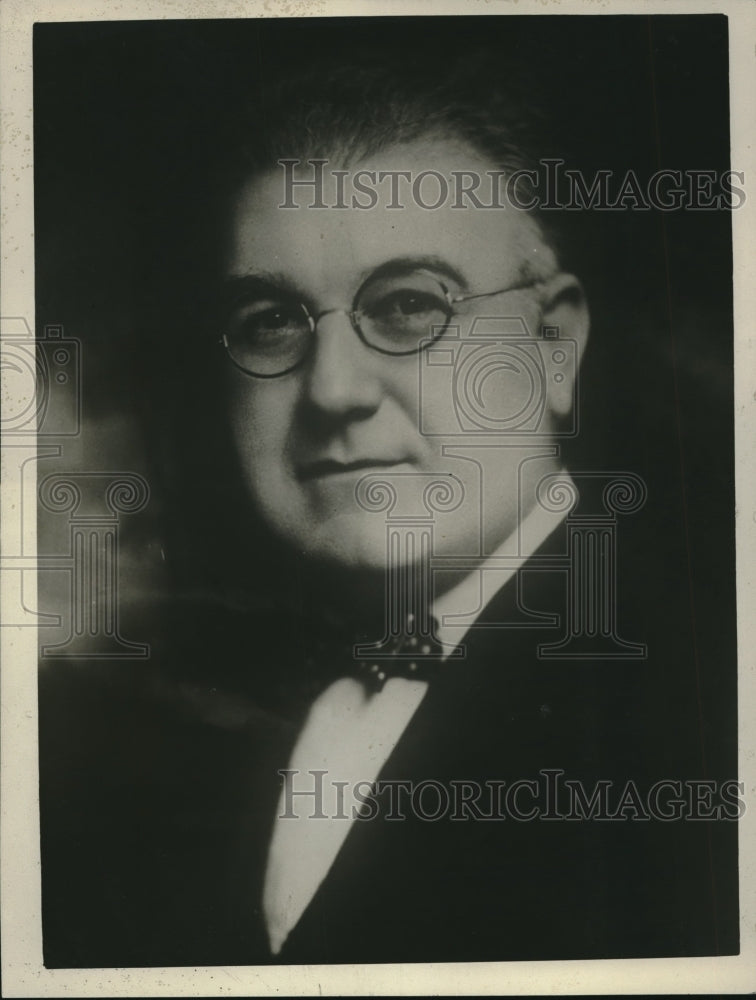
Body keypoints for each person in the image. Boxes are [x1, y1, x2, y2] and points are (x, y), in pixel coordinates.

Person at [38, 30, 738, 969]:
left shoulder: (708, 699)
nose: (333, 390)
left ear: (553, 345)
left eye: (409, 305)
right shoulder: (189, 722)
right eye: (272, 322)